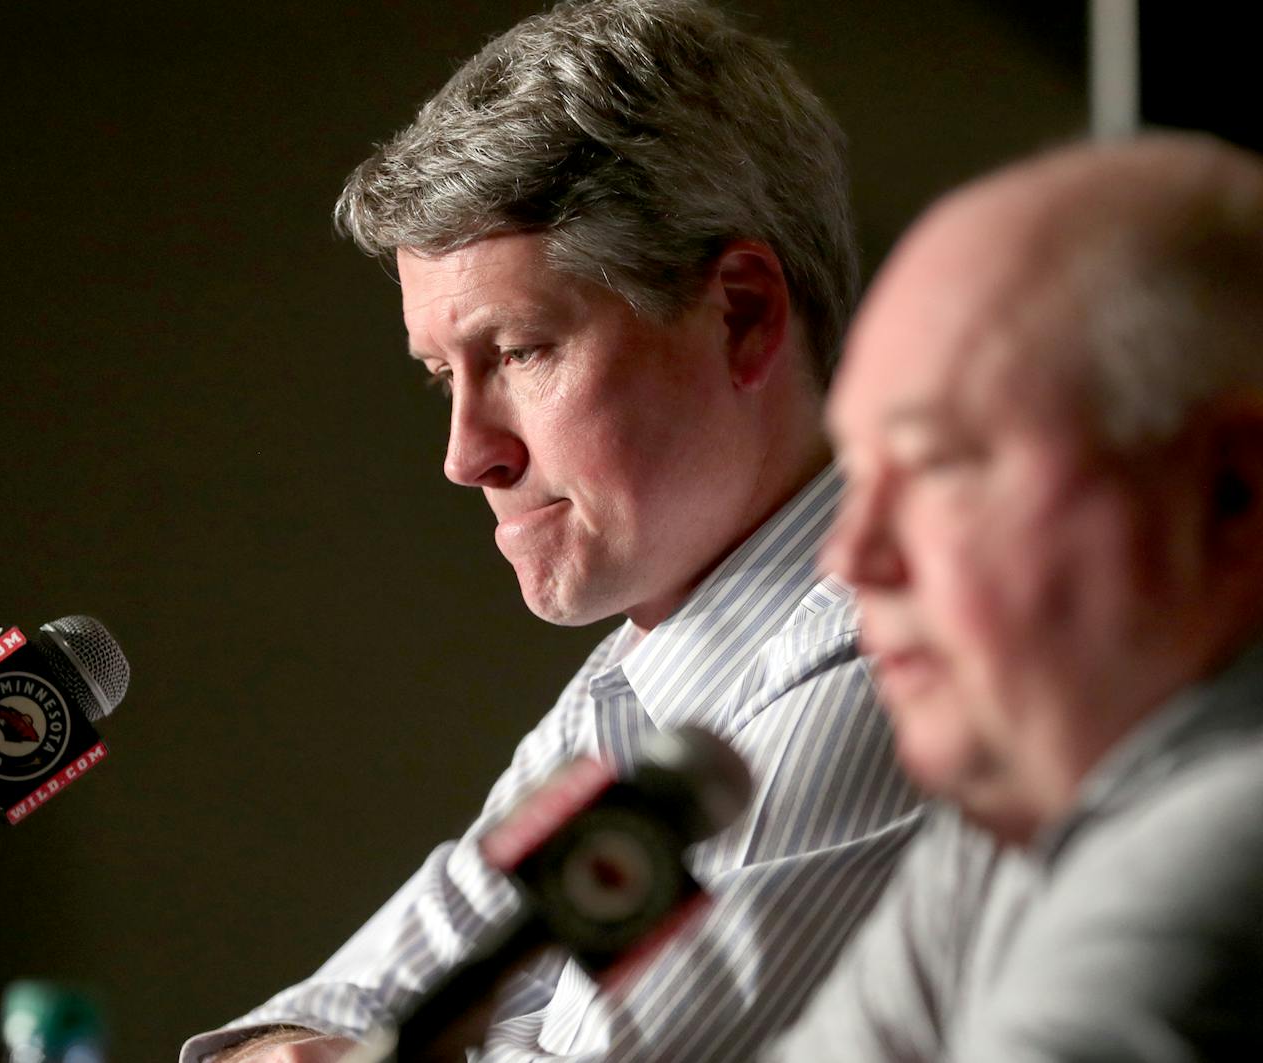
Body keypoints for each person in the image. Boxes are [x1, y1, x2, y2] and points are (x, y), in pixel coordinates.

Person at [181, 1, 924, 1061]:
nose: (465, 455)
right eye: (442, 376)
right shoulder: (630, 692)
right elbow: (323, 1017)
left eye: (521, 352)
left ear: (744, 313)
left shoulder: (896, 656)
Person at [769, 132, 1263, 1061]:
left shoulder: (1233, 831)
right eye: (856, 474)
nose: (850, 557)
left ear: (1230, 494)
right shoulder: (1000, 835)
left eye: (937, 463)